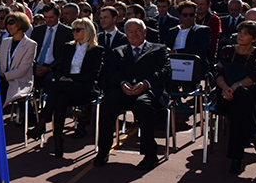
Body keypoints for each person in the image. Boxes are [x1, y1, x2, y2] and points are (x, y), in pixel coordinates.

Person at [94, 19, 172, 171]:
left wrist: (145, 84)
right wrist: (123, 83)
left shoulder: (159, 49)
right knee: (108, 103)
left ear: (145, 32)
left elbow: (165, 72)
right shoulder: (119, 51)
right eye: (130, 32)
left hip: (149, 92)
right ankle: (103, 151)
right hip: (125, 91)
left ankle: (150, 155)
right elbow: (112, 73)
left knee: (142, 105)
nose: (134, 34)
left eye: (137, 31)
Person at [29, 18, 104, 158]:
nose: (74, 32)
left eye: (77, 29)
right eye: (73, 29)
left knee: (56, 87)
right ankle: (58, 137)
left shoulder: (97, 50)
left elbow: (93, 75)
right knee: (61, 97)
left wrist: (71, 80)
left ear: (87, 31)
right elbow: (59, 69)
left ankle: (42, 123)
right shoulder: (68, 47)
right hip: (65, 87)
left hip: (84, 89)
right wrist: (64, 78)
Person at [213, 21, 256, 174]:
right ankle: (255, 136)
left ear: (254, 38)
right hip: (225, 95)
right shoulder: (227, 51)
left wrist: (236, 85)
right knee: (240, 106)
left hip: (250, 97)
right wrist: (225, 87)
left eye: (245, 34)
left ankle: (236, 159)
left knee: (240, 103)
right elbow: (218, 72)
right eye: (240, 32)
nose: (240, 35)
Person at [0, 12, 37, 105]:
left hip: (19, 81)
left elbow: (23, 69)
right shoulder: (5, 42)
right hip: (1, 79)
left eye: (11, 22)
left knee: (1, 86)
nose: (8, 26)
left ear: (20, 23)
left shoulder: (31, 44)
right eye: (7, 23)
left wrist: (4, 76)